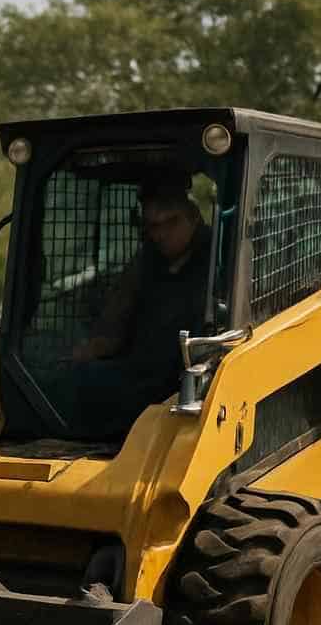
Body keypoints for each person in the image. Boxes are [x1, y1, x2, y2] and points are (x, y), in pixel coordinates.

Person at [66, 172, 212, 437]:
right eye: (153, 227)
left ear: (193, 217)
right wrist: (90, 347)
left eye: (170, 223)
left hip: (194, 380)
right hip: (144, 371)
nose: (161, 235)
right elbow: (116, 316)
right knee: (79, 378)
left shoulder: (218, 259)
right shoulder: (147, 261)